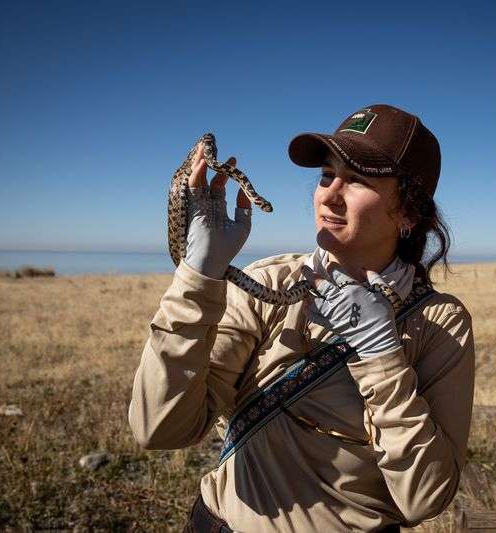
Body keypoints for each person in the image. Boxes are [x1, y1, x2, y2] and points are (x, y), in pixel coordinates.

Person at [128, 104, 475, 532]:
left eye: (359, 180)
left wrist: (383, 356)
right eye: (327, 175)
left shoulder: (439, 323)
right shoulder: (270, 282)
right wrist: (198, 276)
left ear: (408, 213)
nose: (329, 194)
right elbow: (158, 428)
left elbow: (425, 499)